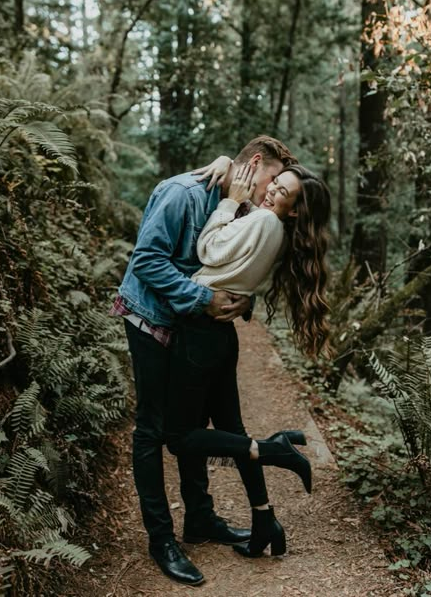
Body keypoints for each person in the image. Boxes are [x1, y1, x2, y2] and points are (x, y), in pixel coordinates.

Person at [111, 136, 295, 586]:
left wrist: (240, 303)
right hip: (150, 321)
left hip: (188, 328)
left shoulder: (240, 205)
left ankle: (200, 519)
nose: (270, 195)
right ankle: (162, 539)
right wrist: (203, 298)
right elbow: (146, 260)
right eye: (272, 181)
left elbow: (236, 264)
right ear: (255, 164)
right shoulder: (182, 193)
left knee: (190, 422)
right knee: (152, 430)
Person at [164, 163, 331, 558]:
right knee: (230, 429)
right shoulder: (272, 227)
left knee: (178, 436)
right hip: (219, 337)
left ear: (292, 211)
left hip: (200, 332)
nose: (271, 190)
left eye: (282, 192)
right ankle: (264, 520)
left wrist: (228, 203)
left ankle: (274, 449)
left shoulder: (263, 222)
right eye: (275, 183)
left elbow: (209, 250)